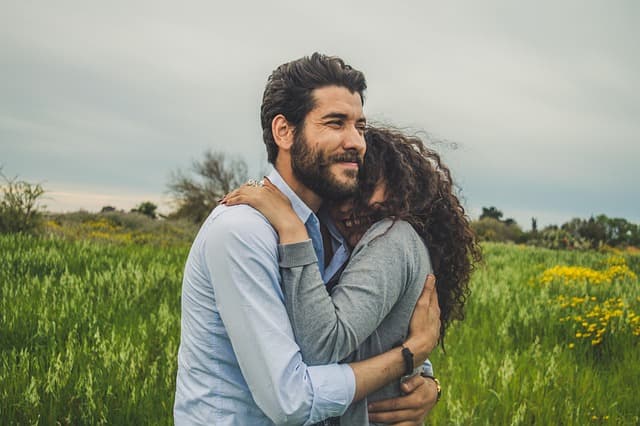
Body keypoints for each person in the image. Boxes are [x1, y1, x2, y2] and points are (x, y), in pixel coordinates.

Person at [174, 53, 441, 425]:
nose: (356, 142)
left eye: (360, 127)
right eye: (335, 123)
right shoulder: (241, 233)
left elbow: (359, 328)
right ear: (284, 132)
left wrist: (422, 378)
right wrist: (407, 357)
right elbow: (291, 400)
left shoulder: (333, 228)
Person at [222, 126, 481, 424]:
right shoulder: (344, 237)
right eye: (346, 191)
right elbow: (379, 333)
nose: (349, 206)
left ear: (399, 188)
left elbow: (322, 348)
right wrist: (416, 361)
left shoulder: (391, 239)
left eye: (365, 186)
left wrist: (290, 227)